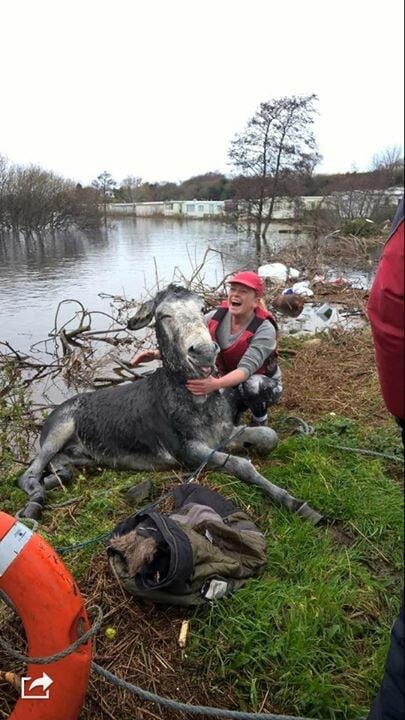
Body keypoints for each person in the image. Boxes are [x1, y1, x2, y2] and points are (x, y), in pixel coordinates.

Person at [131, 270, 282, 426]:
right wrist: (157, 354)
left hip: (261, 383)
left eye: (243, 292)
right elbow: (193, 347)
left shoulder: (265, 329)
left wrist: (214, 385)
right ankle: (235, 410)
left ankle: (260, 418)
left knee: (253, 386)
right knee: (220, 420)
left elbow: (246, 370)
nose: (235, 295)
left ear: (256, 301)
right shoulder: (214, 317)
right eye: (233, 290)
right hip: (227, 381)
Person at [366, 196, 404, 720]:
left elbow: (391, 298)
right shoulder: (218, 319)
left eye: (243, 292)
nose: (233, 299)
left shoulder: (262, 326)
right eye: (230, 291)